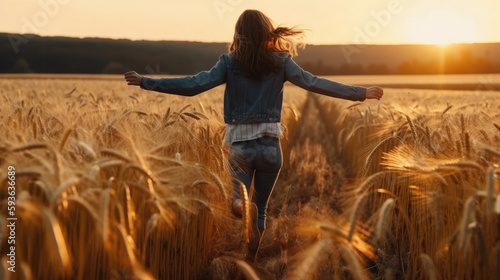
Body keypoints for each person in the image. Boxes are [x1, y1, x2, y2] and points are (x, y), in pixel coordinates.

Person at [124, 9, 383, 262]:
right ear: (266, 32)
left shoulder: (228, 62)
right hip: (271, 148)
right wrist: (360, 93)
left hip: (241, 148)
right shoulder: (282, 61)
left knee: (239, 201)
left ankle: (241, 207)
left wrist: (146, 81)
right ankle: (251, 258)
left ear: (239, 34)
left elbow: (194, 85)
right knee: (262, 211)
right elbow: (313, 82)